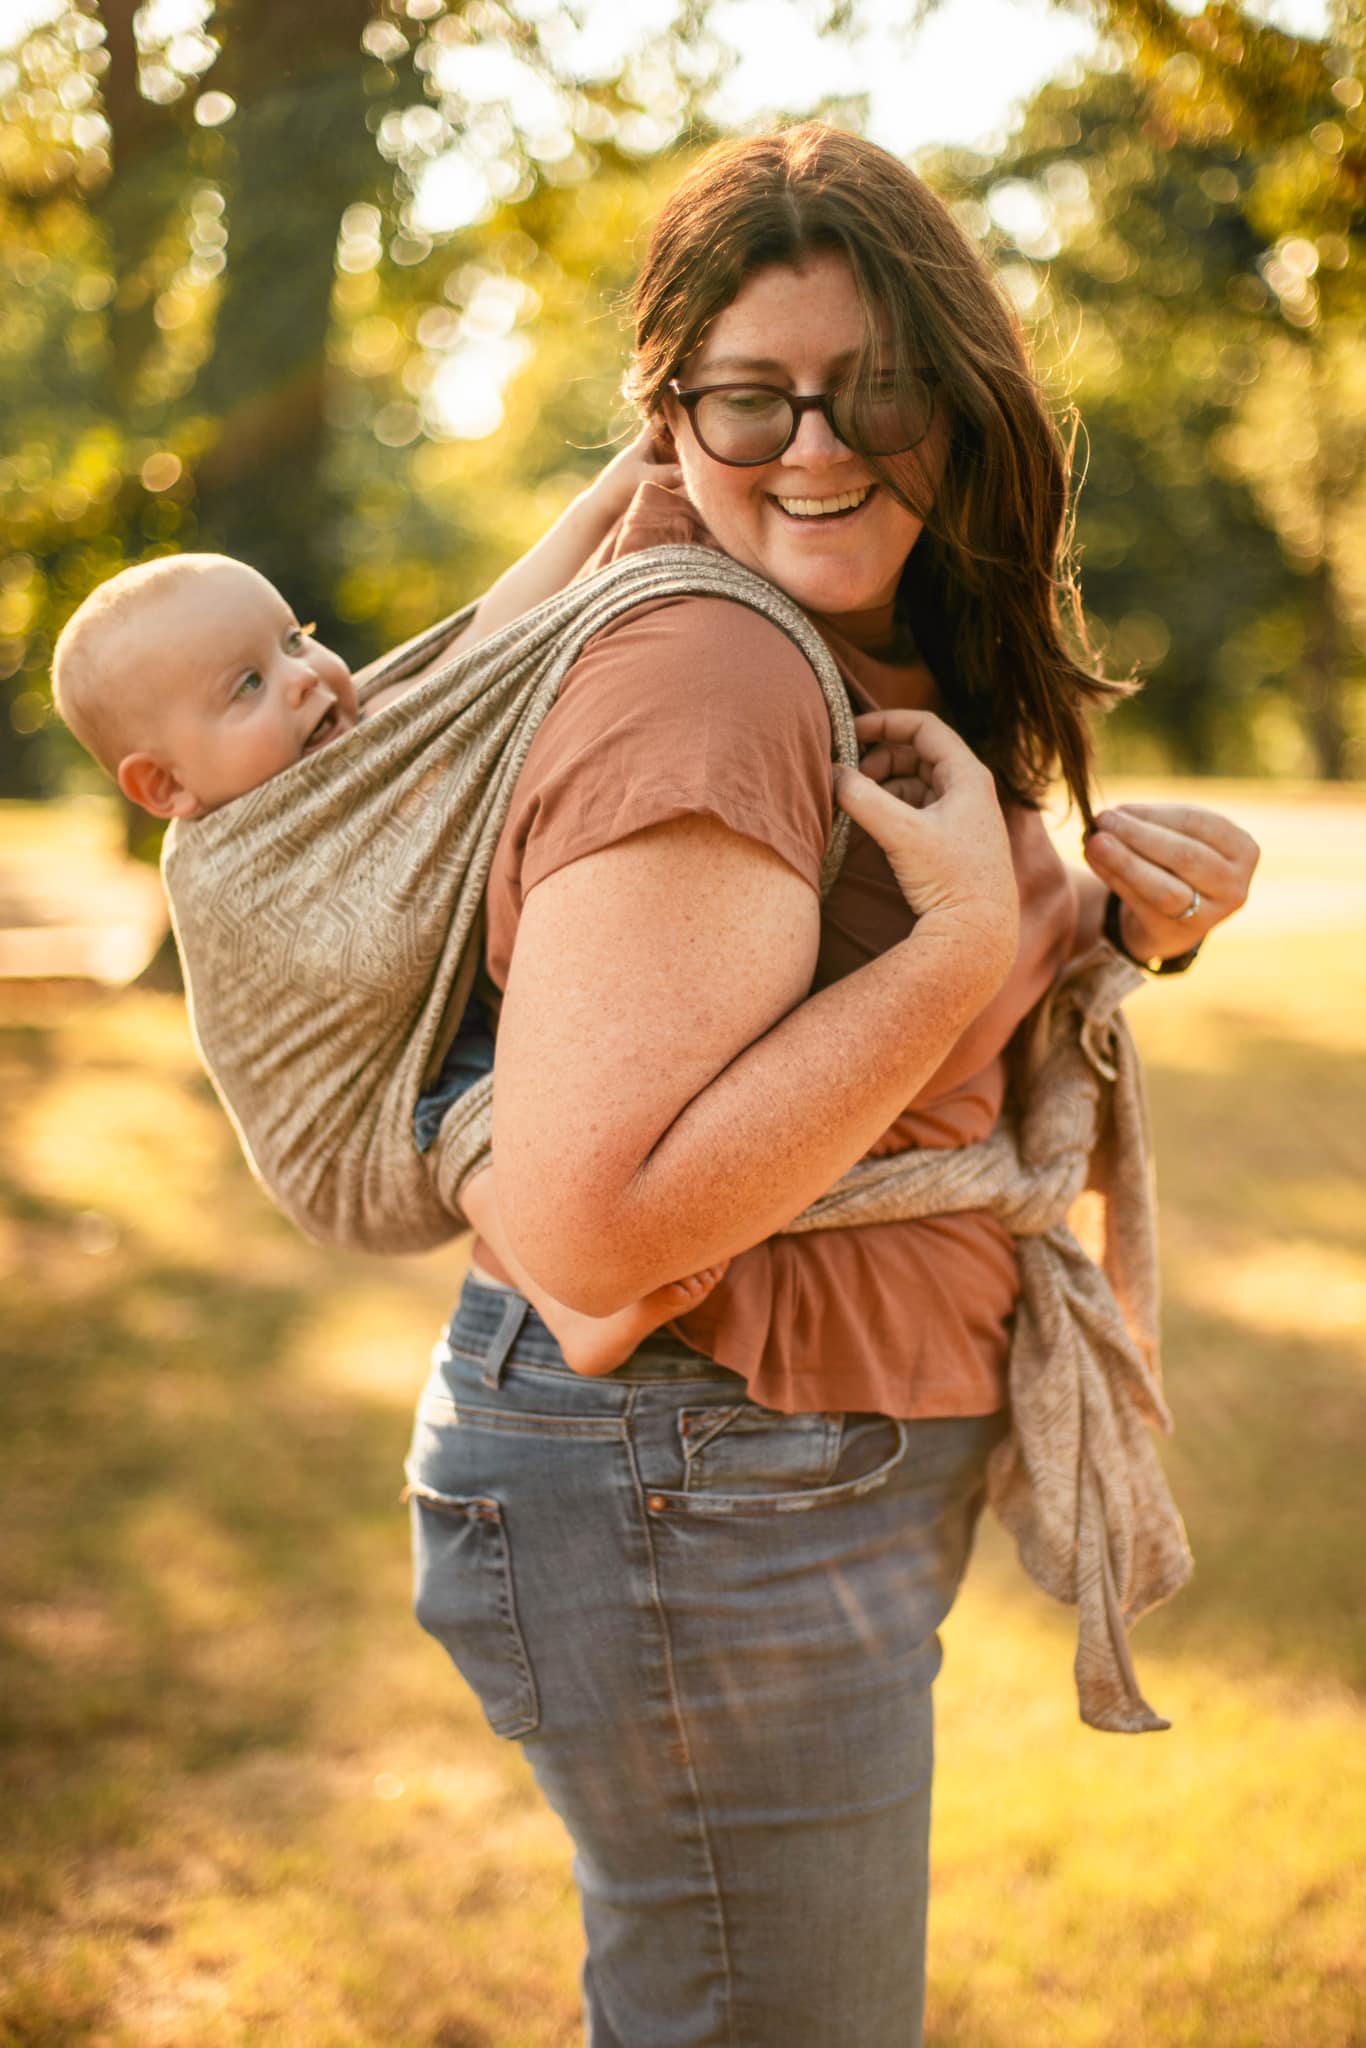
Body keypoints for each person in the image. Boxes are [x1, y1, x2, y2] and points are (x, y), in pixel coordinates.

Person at [402, 123, 1258, 2045]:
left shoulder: (858, 645)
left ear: (962, 401)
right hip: (706, 1480)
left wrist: (1111, 931)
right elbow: (586, 1215)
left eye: (875, 390)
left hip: (764, 1475)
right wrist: (962, 946)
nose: (814, 446)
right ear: (668, 417)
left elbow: (839, 1048)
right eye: (751, 397)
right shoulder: (708, 675)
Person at [49, 431, 729, 1376]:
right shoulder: (227, 867)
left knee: (543, 1078)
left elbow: (478, 651)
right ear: (164, 786)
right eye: (247, 685)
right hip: (352, 1135)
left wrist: (609, 496)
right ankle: (574, 1305)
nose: (303, 678)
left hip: (418, 1049)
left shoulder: (343, 748)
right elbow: (370, 950)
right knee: (470, 1105)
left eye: (294, 640)